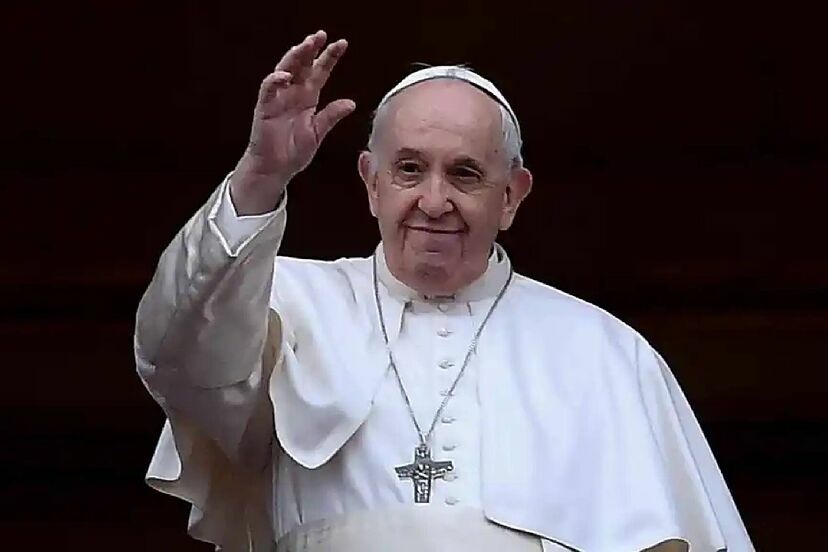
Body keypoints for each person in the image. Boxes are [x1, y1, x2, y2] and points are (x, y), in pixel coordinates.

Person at [134, 30, 755, 552]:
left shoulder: (605, 352)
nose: (434, 202)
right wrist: (261, 176)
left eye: (465, 174)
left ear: (511, 196)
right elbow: (175, 357)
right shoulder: (282, 303)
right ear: (372, 182)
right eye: (409, 169)